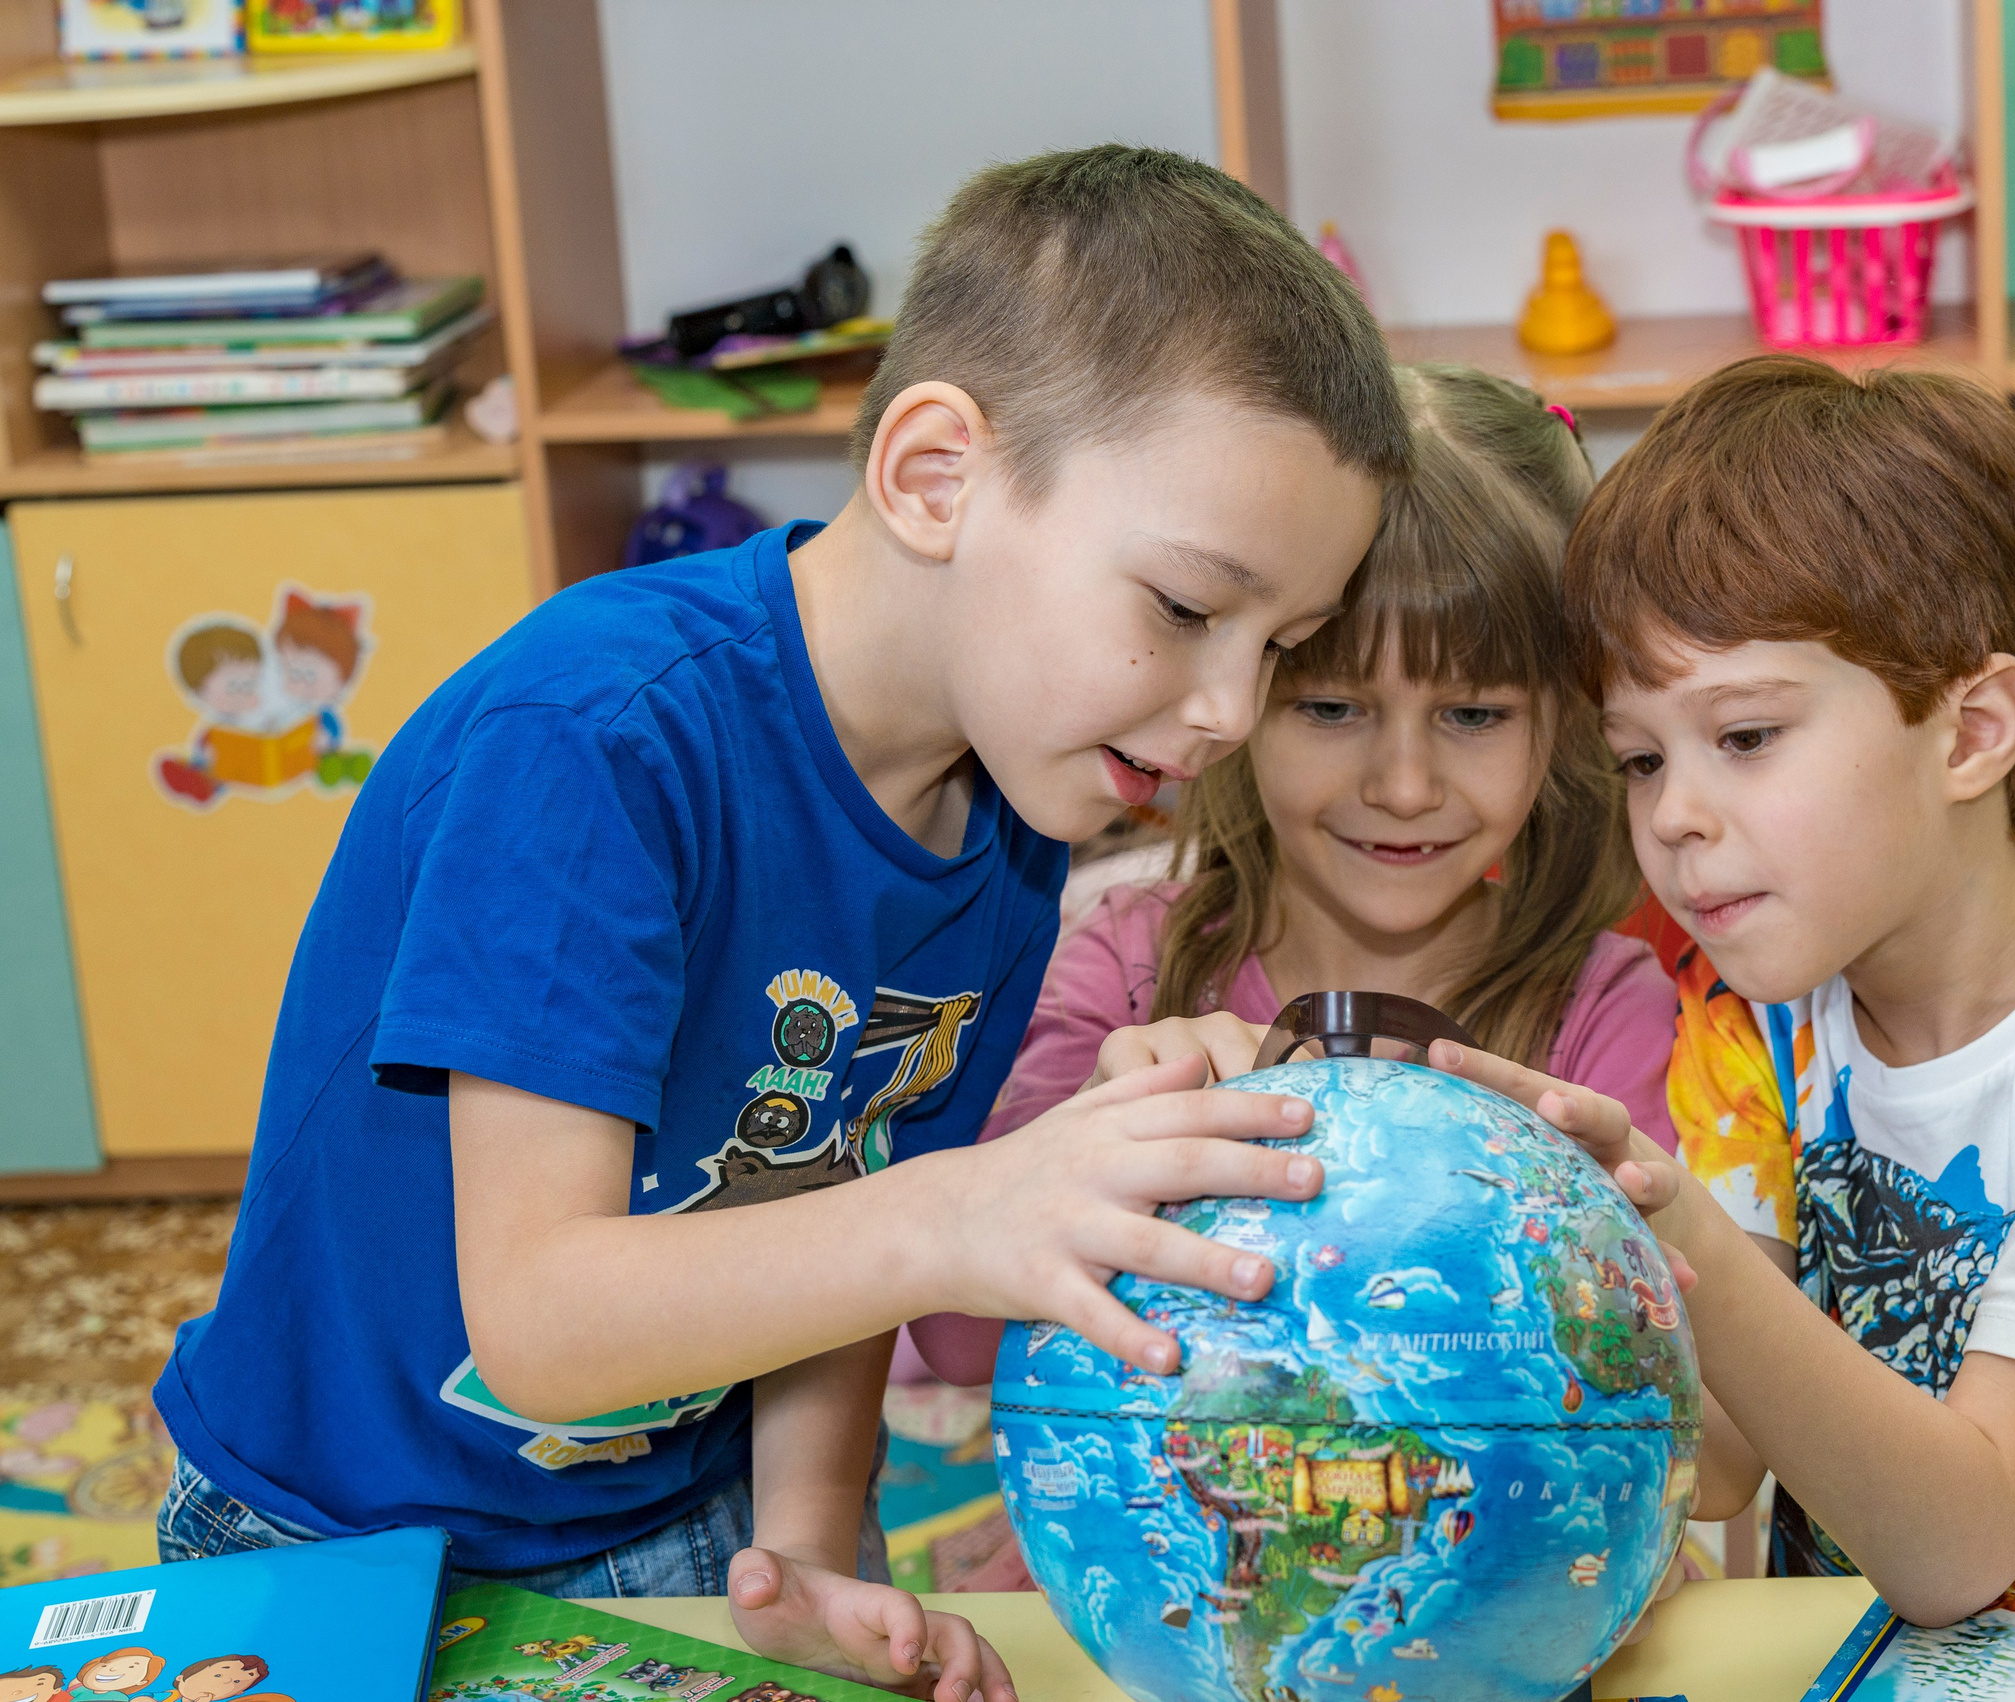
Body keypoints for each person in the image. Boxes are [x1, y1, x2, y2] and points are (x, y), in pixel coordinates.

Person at [150, 144, 1406, 1702]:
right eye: (1182, 608)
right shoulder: (595, 740)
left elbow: (845, 1194)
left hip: (685, 1517)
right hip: (331, 1544)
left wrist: (816, 1537)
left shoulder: (1012, 813)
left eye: (1280, 644)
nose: (1232, 708)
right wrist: (972, 1208)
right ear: (936, 475)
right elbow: (543, 1319)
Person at [1437, 355, 2015, 1628]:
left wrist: (1675, 1225)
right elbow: (1712, 1461)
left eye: (1745, 736)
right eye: (1641, 759)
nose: (1674, 818)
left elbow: (1960, 1544)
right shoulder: (1749, 1018)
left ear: (1973, 731)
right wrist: (1528, 1269)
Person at [975, 363, 1688, 1166]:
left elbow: (1649, 1287)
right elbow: (981, 1278)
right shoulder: (1125, 962)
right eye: (1332, 709)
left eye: (1475, 714)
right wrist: (1090, 1139)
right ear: (1238, 696)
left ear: (1565, 720)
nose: (1404, 789)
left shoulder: (1606, 1010)